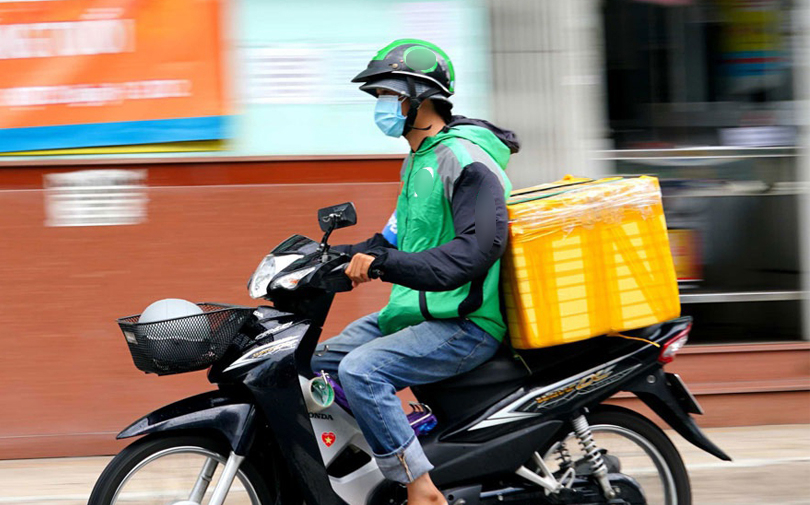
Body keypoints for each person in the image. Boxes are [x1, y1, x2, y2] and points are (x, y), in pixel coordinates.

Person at [311, 39, 519, 505]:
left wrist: (385, 265)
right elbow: (392, 240)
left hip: (463, 323)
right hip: (416, 314)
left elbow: (475, 251)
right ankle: (370, 467)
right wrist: (317, 262)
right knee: (312, 364)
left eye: (389, 95)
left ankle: (419, 487)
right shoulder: (418, 161)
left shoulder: (465, 159)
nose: (381, 106)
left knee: (362, 370)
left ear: (421, 99)